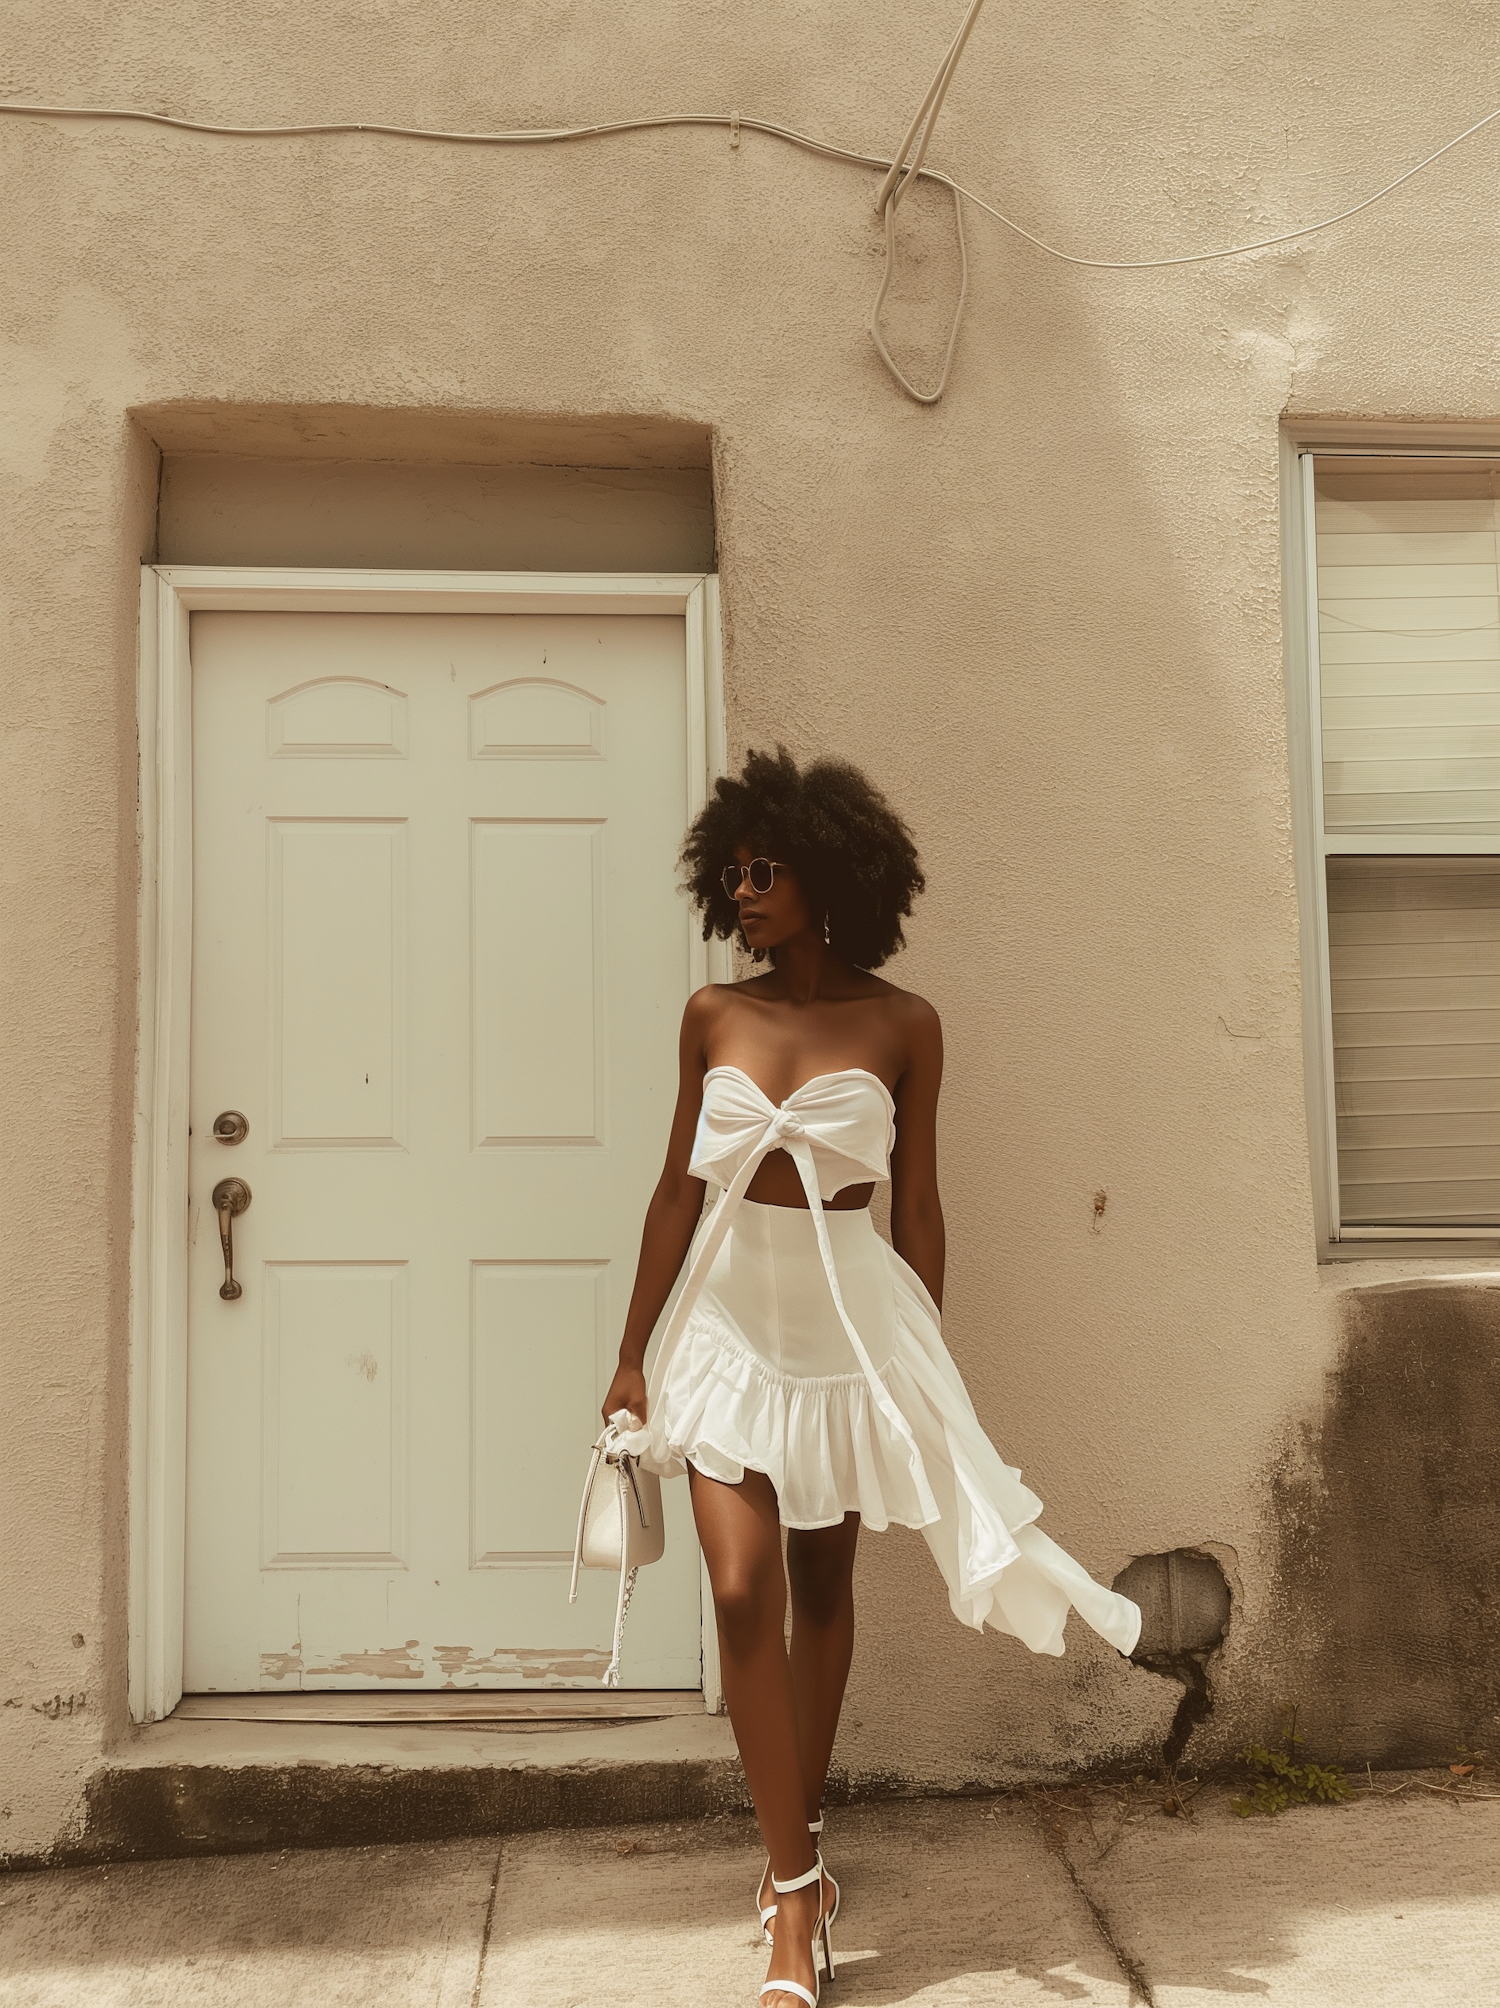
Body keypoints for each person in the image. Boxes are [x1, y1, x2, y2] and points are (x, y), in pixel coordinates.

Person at [603, 747, 1140, 2008]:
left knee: (819, 1581)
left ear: (828, 875)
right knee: (739, 1592)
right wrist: (632, 1352)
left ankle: (805, 1853)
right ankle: (795, 1903)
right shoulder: (711, 1015)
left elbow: (923, 1206)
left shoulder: (905, 1024)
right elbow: (677, 1190)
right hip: (730, 1322)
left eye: (765, 868)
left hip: (851, 1328)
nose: (742, 889)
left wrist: (923, 1358)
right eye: (730, 870)